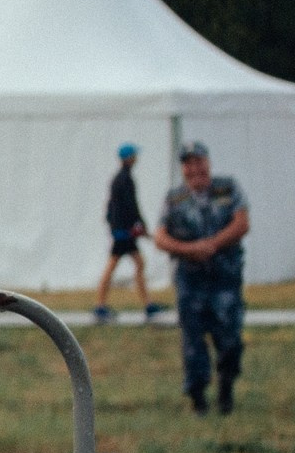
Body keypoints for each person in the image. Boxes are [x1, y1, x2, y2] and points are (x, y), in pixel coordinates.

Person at [153, 141, 251, 415]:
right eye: (188, 163)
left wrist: (213, 244)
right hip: (191, 282)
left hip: (225, 279)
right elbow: (160, 237)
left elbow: (242, 222)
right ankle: (198, 399)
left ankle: (226, 388)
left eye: (198, 162)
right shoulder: (175, 199)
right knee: (193, 343)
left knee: (230, 339)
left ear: (207, 162)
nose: (194, 168)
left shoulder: (227, 188)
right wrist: (189, 250)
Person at [94, 142, 159, 323]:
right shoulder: (125, 179)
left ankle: (147, 303)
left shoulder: (118, 178)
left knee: (138, 263)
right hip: (123, 232)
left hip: (121, 230)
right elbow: (131, 206)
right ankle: (100, 305)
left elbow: (111, 206)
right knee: (117, 265)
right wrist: (140, 226)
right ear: (128, 158)